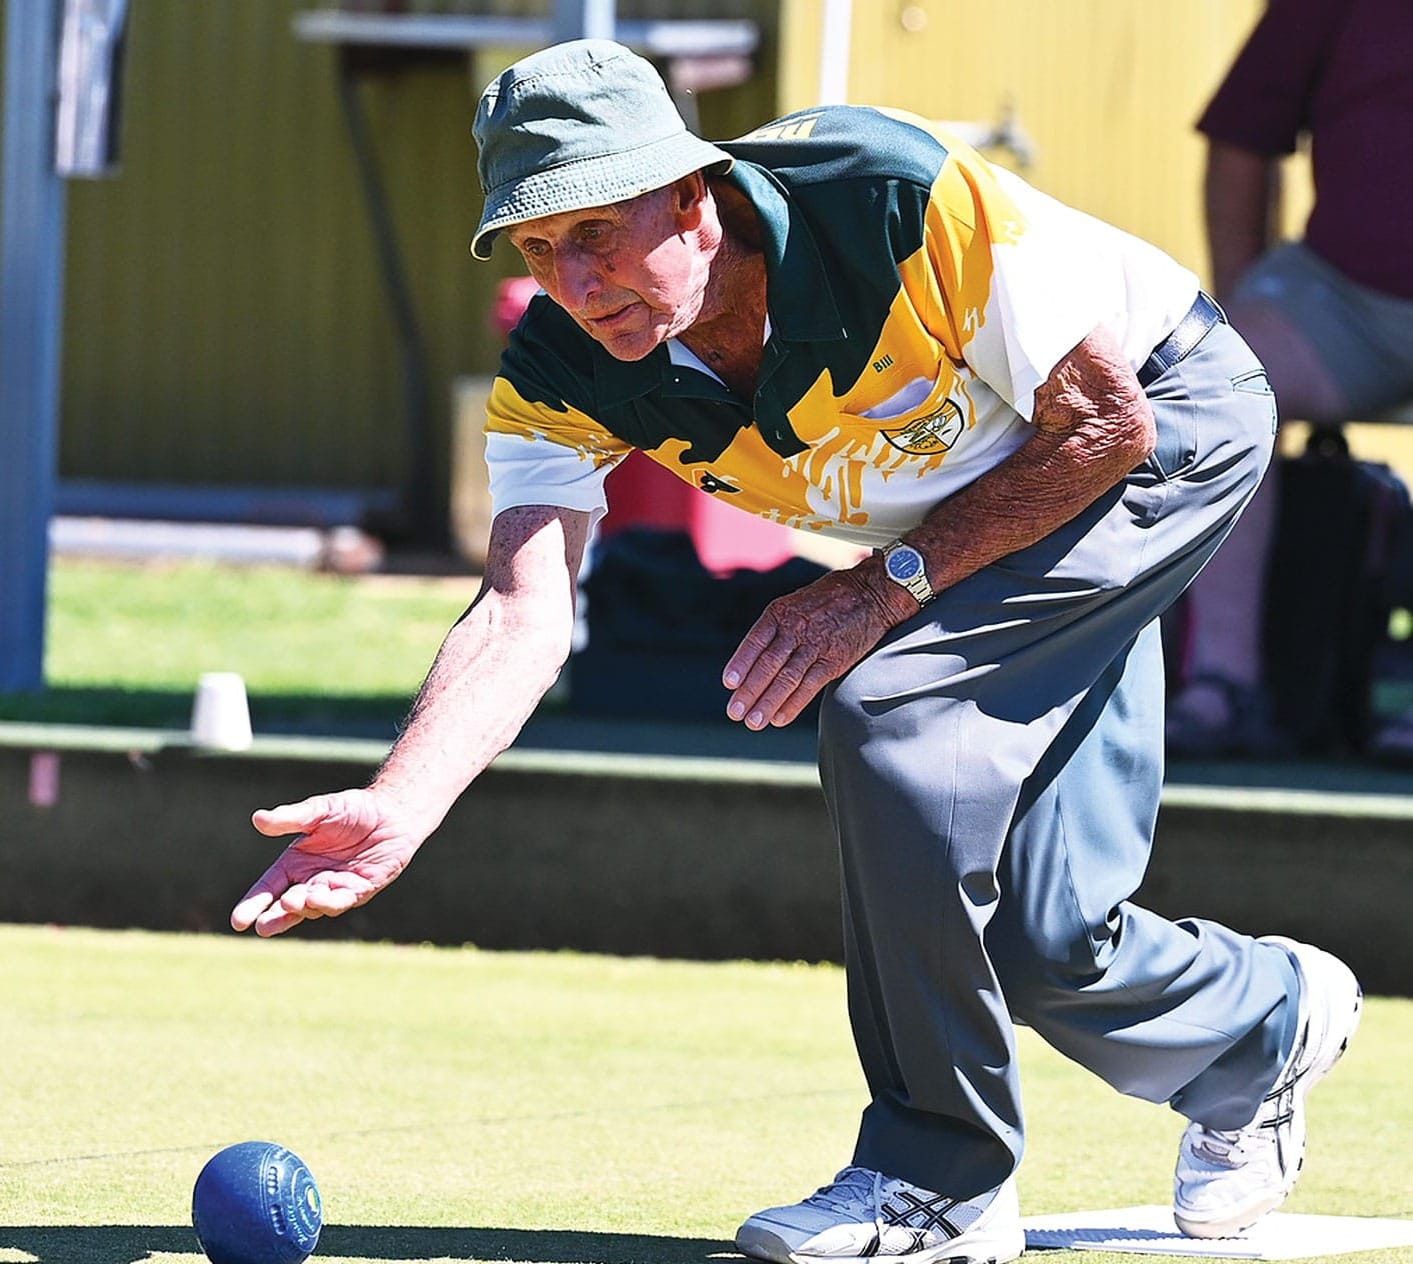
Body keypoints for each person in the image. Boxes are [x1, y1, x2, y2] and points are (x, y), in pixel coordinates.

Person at [230, 41, 1363, 1262]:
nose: (575, 279)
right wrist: (404, 800)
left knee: (889, 711)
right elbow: (522, 605)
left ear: (692, 198)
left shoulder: (886, 195)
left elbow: (1103, 422)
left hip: (1157, 430)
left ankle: (938, 1180)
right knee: (1046, 934)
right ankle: (1263, 1024)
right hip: (996, 517)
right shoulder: (563, 369)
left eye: (597, 230)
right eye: (538, 249)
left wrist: (880, 589)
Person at [1167, 0, 1413, 758]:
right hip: (1347, 300)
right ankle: (1223, 685)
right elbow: (1241, 138)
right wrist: (1237, 307)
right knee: (1212, 379)